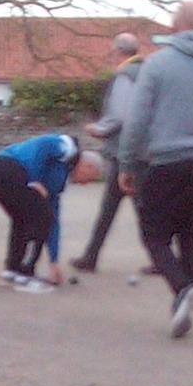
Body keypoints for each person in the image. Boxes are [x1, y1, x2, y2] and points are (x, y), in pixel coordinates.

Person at [118, 1, 193, 339]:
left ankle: (183, 291)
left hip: (165, 161)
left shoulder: (157, 65)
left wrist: (127, 162)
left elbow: (137, 118)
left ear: (174, 28)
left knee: (153, 234)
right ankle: (182, 304)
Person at [0, 134, 103, 294]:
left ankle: (13, 271)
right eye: (90, 179)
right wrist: (34, 180)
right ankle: (25, 272)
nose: (86, 184)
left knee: (24, 219)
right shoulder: (68, 147)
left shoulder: (58, 181)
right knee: (40, 218)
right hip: (3, 167)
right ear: (88, 166)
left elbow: (54, 220)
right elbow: (43, 145)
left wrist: (54, 261)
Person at [70, 33, 143, 273]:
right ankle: (161, 255)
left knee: (110, 209)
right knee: (142, 208)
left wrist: (99, 129)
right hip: (143, 150)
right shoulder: (146, 73)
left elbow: (119, 115)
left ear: (119, 52)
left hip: (123, 152)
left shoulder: (125, 76)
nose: (111, 56)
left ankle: (91, 256)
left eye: (112, 52)